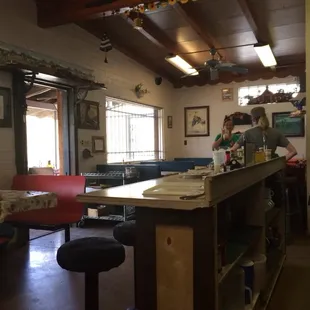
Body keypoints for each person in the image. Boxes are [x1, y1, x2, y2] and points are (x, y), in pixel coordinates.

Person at [230, 106, 297, 161]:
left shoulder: (247, 133)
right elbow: (293, 151)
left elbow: (232, 150)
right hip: (273, 171)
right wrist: (279, 163)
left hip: (254, 171)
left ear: (253, 119)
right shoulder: (276, 133)